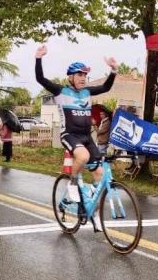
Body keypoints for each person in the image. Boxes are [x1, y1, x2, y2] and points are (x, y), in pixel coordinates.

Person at [35, 44, 117, 202]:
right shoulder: (61, 91)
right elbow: (40, 79)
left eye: (85, 75)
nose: (83, 78)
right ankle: (72, 183)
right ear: (70, 77)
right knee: (83, 156)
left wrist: (113, 70)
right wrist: (38, 58)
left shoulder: (87, 92)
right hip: (69, 135)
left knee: (100, 177)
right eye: (79, 74)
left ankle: (93, 215)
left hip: (87, 137)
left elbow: (106, 87)